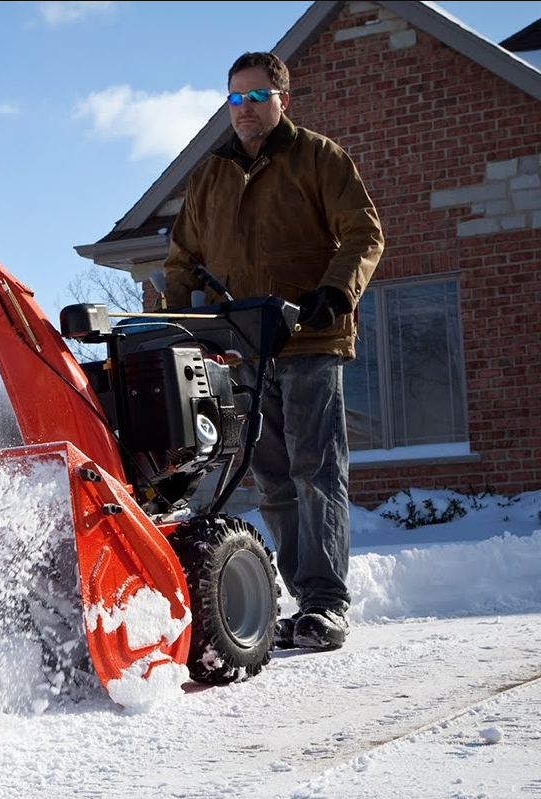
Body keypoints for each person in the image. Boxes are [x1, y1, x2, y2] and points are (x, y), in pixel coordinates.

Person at [161, 51, 384, 651]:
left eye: (256, 97)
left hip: (309, 340)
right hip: (243, 351)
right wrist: (173, 329)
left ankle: (325, 603)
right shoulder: (211, 176)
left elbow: (364, 231)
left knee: (317, 472)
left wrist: (336, 291)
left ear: (282, 99)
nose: (245, 110)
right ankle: (303, 600)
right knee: (275, 481)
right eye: (235, 99)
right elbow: (182, 261)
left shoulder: (317, 158)